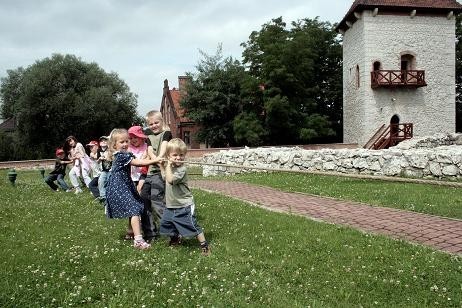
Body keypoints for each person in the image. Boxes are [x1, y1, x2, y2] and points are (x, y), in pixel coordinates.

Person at [105, 128, 159, 250]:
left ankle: (130, 232)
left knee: (134, 206)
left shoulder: (123, 155)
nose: (125, 144)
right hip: (118, 188)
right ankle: (138, 240)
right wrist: (155, 160)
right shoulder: (120, 156)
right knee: (134, 209)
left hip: (123, 186)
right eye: (121, 142)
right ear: (114, 144)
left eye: (127, 141)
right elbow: (138, 163)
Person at [159, 138, 210, 256]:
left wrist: (167, 166)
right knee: (168, 223)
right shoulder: (170, 168)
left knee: (191, 224)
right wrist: (162, 166)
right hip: (171, 204)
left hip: (184, 204)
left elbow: (171, 180)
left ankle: (204, 246)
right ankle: (175, 240)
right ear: (168, 155)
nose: (178, 158)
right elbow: (165, 177)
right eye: (175, 155)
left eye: (181, 155)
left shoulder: (182, 169)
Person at [140, 110, 172, 242]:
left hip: (160, 173)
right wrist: (156, 160)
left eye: (156, 122)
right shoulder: (148, 134)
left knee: (157, 202)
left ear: (161, 122)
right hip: (151, 172)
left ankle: (172, 234)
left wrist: (160, 160)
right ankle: (150, 233)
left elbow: (164, 147)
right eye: (150, 123)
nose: (153, 125)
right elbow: (149, 150)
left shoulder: (166, 133)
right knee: (143, 201)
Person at [124, 125, 149, 240]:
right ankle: (131, 229)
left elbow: (145, 163)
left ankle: (144, 228)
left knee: (143, 204)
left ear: (141, 137)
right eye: (131, 138)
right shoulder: (128, 148)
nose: (133, 140)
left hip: (143, 177)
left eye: (136, 137)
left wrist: (141, 181)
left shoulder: (146, 147)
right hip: (131, 178)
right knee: (131, 205)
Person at [97, 136, 111, 203]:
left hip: (111, 169)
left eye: (105, 140)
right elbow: (98, 161)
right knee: (101, 181)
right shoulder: (99, 150)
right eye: (102, 141)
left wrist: (106, 158)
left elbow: (112, 159)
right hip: (104, 170)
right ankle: (103, 197)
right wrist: (99, 159)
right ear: (100, 143)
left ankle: (110, 196)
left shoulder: (110, 149)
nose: (103, 142)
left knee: (109, 182)